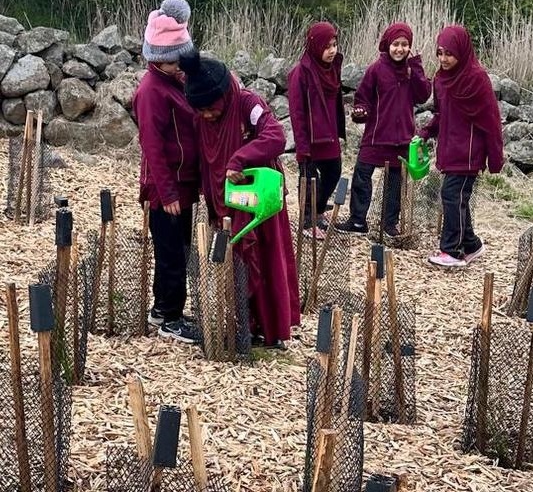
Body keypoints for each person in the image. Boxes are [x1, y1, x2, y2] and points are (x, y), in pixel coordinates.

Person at [180, 49, 300, 350]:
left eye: (211, 108)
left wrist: (240, 158)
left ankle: (270, 331)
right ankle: (243, 326)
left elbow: (275, 136)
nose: (207, 115)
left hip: (258, 199)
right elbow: (203, 162)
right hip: (223, 202)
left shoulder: (248, 103)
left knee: (265, 260)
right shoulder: (202, 120)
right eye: (201, 111)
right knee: (234, 266)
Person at [132, 0, 200, 343]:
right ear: (158, 58)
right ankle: (170, 317)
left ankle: (163, 308)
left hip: (182, 181)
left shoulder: (175, 82)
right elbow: (153, 148)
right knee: (171, 252)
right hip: (165, 187)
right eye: (174, 62)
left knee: (179, 248)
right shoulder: (151, 92)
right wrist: (168, 192)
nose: (180, 66)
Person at [419, 25, 504, 268]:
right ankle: (471, 245)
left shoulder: (476, 79)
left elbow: (491, 121)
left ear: (462, 51)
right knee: (457, 198)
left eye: (449, 53)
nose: (444, 59)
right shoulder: (441, 79)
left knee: (451, 195)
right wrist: (425, 132)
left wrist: (495, 158)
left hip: (468, 153)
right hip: (449, 149)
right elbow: (440, 114)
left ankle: (452, 251)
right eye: (440, 53)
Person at [336, 22, 431, 236]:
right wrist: (360, 110)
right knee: (362, 176)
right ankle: (358, 221)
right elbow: (362, 98)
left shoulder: (411, 70)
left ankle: (389, 225)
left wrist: (416, 67)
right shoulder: (376, 69)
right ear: (387, 44)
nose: (400, 49)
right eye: (396, 44)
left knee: (395, 184)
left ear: (410, 47)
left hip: (402, 138)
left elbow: (423, 94)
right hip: (376, 135)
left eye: (405, 45)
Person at [287, 22, 345, 239]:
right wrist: (302, 147)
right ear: (315, 46)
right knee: (309, 178)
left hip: (329, 134)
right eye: (326, 46)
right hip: (310, 137)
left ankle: (319, 210)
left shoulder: (332, 69)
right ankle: (307, 222)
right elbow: (297, 112)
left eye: (334, 45)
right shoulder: (300, 73)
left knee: (334, 173)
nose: (332, 51)